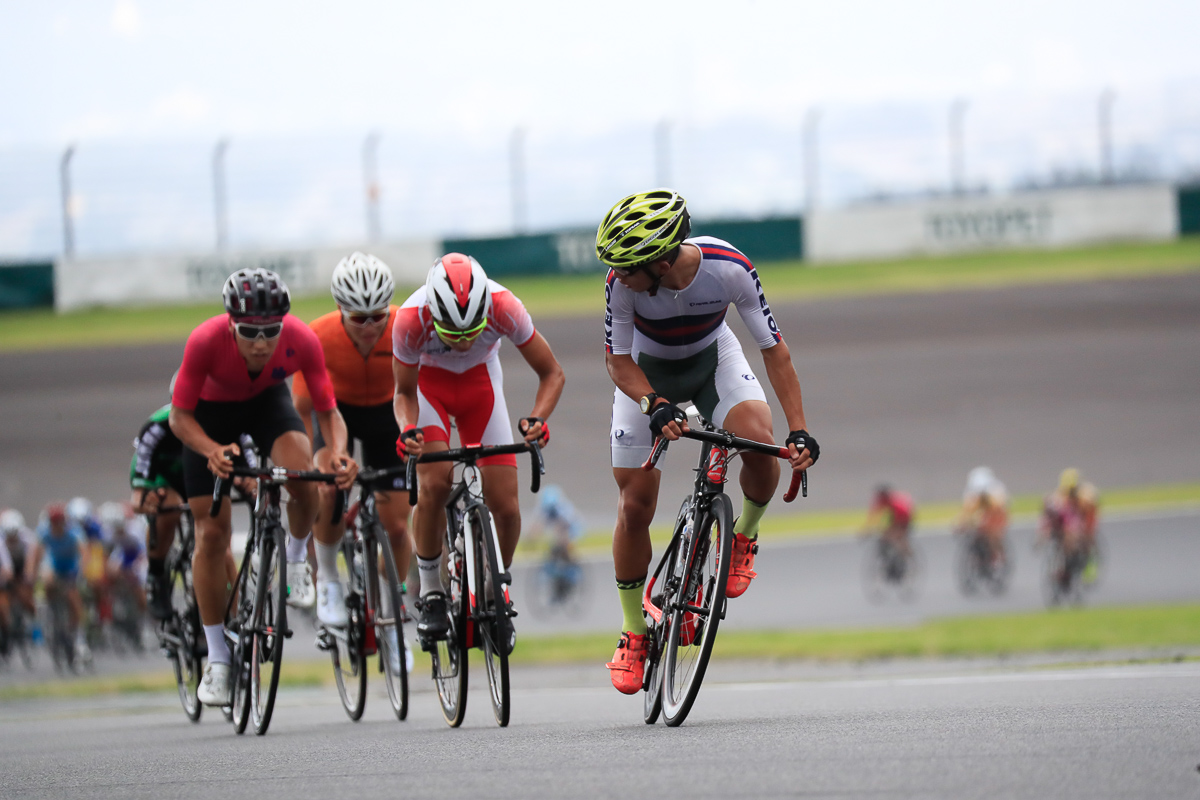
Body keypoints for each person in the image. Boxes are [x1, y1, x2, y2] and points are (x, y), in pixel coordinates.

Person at [596, 188, 818, 694]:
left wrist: (799, 428)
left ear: (662, 258)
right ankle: (634, 629)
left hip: (711, 361)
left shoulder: (729, 268)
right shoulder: (621, 285)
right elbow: (618, 360)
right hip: (645, 377)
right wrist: (653, 405)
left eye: (629, 267)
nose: (619, 276)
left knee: (761, 445)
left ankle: (744, 533)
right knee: (635, 504)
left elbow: (774, 350)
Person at [169, 267, 357, 706]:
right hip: (208, 417)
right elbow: (179, 418)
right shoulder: (204, 341)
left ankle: (293, 563)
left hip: (266, 404)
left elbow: (328, 411)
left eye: (271, 332)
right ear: (230, 324)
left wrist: (341, 452)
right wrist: (212, 450)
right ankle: (218, 659)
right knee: (210, 536)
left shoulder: (302, 340)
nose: (260, 343)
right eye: (249, 332)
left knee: (303, 473)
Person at [392, 253, 565, 654]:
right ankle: (432, 590)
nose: (465, 339)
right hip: (429, 388)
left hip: (481, 388)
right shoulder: (410, 317)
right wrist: (407, 431)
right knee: (434, 483)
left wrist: (538, 419)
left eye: (473, 328)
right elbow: (403, 393)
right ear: (434, 313)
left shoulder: (504, 306)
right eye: (452, 329)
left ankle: (493, 590)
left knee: (506, 505)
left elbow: (552, 372)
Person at [292, 252, 414, 673]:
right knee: (328, 484)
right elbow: (303, 412)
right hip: (334, 412)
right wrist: (311, 464)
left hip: (387, 416)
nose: (370, 327)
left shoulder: (405, 325)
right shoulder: (317, 336)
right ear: (340, 309)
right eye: (358, 318)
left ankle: (393, 614)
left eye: (378, 316)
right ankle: (327, 577)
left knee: (398, 525)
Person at [28, 502, 91, 663]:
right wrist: (31, 574)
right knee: (47, 580)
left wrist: (82, 573)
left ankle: (78, 637)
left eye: (58, 523)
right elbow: (35, 554)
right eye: (53, 524)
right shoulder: (44, 532)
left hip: (71, 567)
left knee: (73, 598)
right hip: (54, 566)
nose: (56, 527)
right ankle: (50, 611)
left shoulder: (74, 532)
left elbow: (84, 553)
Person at [1041, 467, 1100, 582]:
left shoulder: (1086, 494)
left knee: (1087, 536)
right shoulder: (1060, 494)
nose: (1069, 493)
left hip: (1086, 513)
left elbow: (1089, 514)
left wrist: (1085, 528)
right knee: (1065, 537)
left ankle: (1090, 562)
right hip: (1070, 517)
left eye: (1072, 490)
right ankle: (1066, 561)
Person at [955, 466, 1009, 570]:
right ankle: (979, 556)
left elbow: (997, 514)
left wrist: (986, 524)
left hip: (997, 515)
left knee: (992, 534)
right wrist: (959, 524)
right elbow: (966, 513)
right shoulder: (971, 496)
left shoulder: (997, 494)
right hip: (983, 515)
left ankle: (997, 556)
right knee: (974, 532)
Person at [100, 501, 148, 617]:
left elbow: (142, 553)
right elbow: (107, 554)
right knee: (111, 571)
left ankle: (145, 610)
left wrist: (135, 569)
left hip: (138, 555)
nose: (118, 532)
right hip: (123, 553)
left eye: (120, 529)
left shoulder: (135, 531)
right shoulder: (108, 533)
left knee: (139, 582)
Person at [863, 484, 915, 557]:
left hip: (904, 518)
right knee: (885, 535)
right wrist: (866, 530)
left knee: (897, 536)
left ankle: (907, 553)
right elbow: (873, 516)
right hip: (895, 517)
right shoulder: (882, 500)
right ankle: (890, 554)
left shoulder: (896, 503)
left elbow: (902, 520)